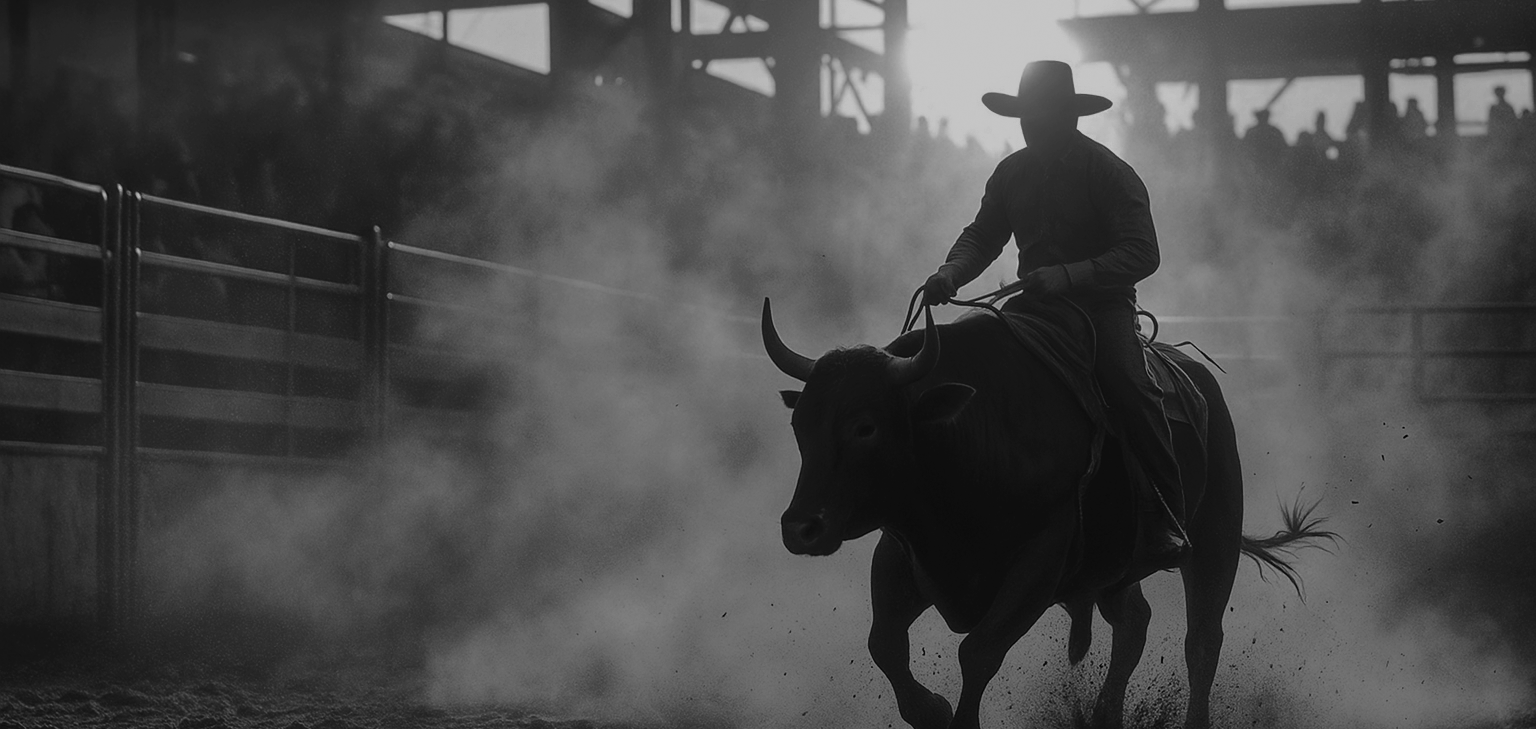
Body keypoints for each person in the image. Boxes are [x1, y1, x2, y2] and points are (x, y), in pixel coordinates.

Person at [920, 60, 1189, 563]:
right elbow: (983, 235)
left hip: (1102, 307)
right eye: (1026, 115)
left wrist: (1070, 275)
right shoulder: (1011, 172)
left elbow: (1142, 252)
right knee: (976, 361)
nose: (1030, 124)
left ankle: (1164, 516)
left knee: (1127, 381)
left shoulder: (1108, 171)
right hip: (1035, 305)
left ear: (1069, 116)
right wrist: (951, 273)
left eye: (1039, 114)